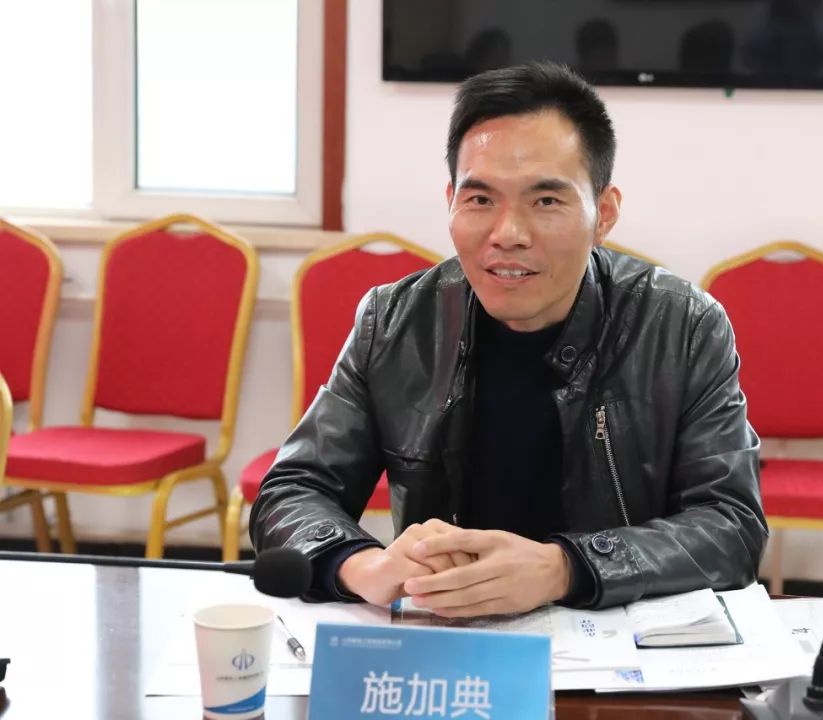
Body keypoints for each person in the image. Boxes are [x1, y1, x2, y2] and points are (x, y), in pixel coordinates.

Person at [251, 61, 767, 617]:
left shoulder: (682, 325)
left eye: (546, 201)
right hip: (446, 634)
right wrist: (360, 566)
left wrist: (563, 568)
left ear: (604, 213)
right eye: (480, 200)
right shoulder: (395, 321)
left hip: (615, 642)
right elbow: (292, 490)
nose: (508, 234)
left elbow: (731, 528)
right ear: (451, 201)